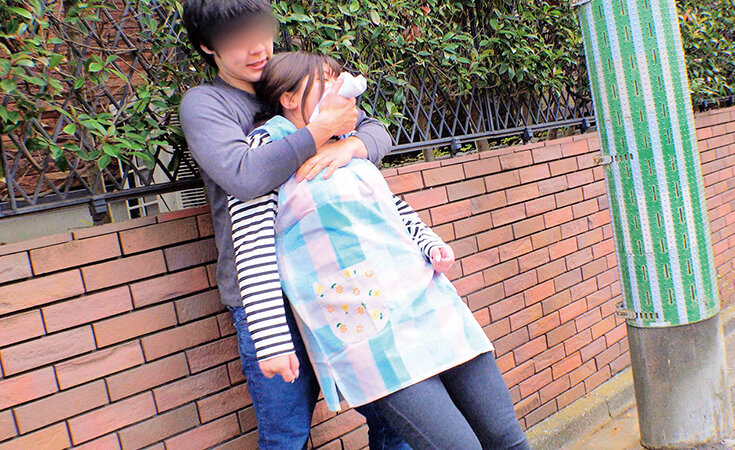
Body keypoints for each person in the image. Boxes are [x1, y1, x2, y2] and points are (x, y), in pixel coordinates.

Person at [235, 51, 529, 450]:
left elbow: (391, 208)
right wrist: (271, 340)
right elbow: (253, 250)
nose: (341, 86)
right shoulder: (264, 149)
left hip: (429, 303)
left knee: (506, 438)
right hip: (369, 329)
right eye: (326, 79)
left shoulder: (346, 144)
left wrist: (429, 243)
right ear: (288, 97)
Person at [179, 1, 410, 448]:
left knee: (393, 410)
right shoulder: (206, 104)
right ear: (207, 46)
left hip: (337, 280)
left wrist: (350, 146)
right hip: (266, 294)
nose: (255, 47)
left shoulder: (294, 79)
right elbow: (245, 176)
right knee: (287, 434)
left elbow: (376, 131)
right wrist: (320, 131)